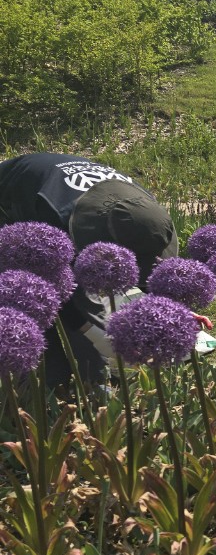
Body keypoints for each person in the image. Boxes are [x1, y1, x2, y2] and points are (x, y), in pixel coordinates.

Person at [0, 152, 180, 386]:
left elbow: (148, 266)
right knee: (32, 303)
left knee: (90, 321)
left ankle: (93, 381)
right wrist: (94, 334)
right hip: (12, 202)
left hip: (53, 184)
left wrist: (171, 310)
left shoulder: (145, 211)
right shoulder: (58, 216)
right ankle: (41, 386)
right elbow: (61, 292)